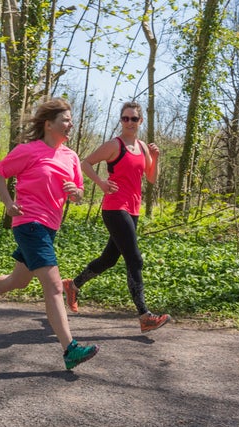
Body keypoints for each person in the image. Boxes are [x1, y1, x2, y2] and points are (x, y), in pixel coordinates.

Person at [0, 98, 98, 370]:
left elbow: (80, 194)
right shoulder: (29, 151)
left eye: (71, 120)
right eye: (65, 120)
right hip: (29, 223)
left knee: (18, 280)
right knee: (55, 286)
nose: (70, 124)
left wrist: (76, 193)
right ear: (49, 125)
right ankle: (70, 349)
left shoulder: (70, 156)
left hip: (50, 227)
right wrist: (8, 203)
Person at [62, 101, 171, 333]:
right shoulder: (114, 145)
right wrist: (101, 183)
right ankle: (144, 315)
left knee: (109, 259)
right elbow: (86, 163)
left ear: (140, 121)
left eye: (133, 119)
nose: (129, 122)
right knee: (135, 259)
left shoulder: (142, 147)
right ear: (121, 121)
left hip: (133, 210)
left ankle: (73, 284)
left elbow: (151, 178)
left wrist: (155, 157)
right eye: (125, 118)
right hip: (114, 207)